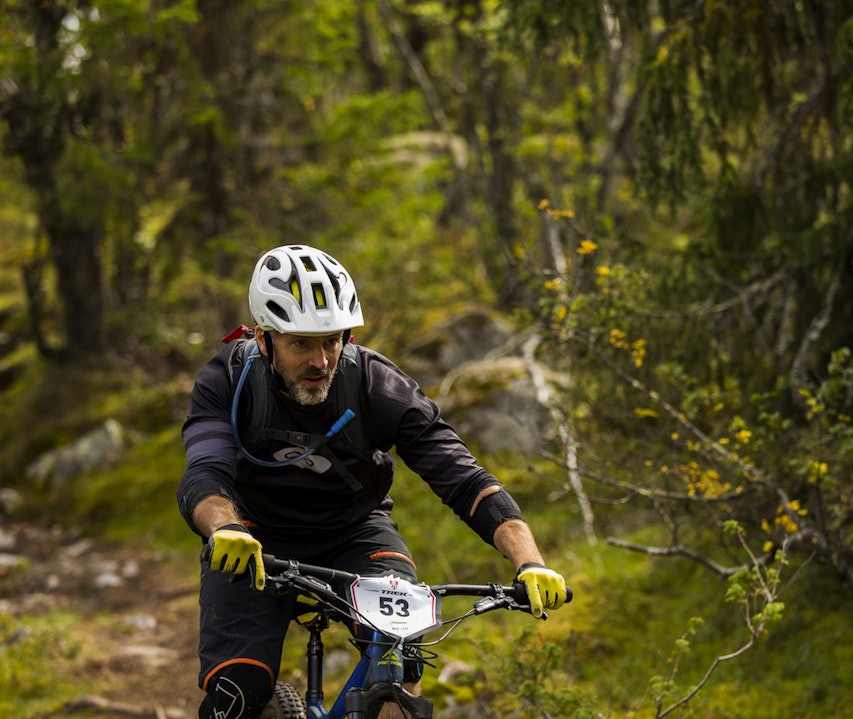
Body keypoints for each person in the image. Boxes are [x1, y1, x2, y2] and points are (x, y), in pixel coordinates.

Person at [177, 244, 567, 719]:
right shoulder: (228, 380)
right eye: (301, 343)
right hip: (251, 537)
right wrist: (225, 529)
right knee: (239, 689)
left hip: (356, 531)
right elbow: (206, 474)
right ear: (263, 339)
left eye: (333, 340)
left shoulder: (376, 385)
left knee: (399, 660)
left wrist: (530, 562)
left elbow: (464, 479)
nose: (320, 360)